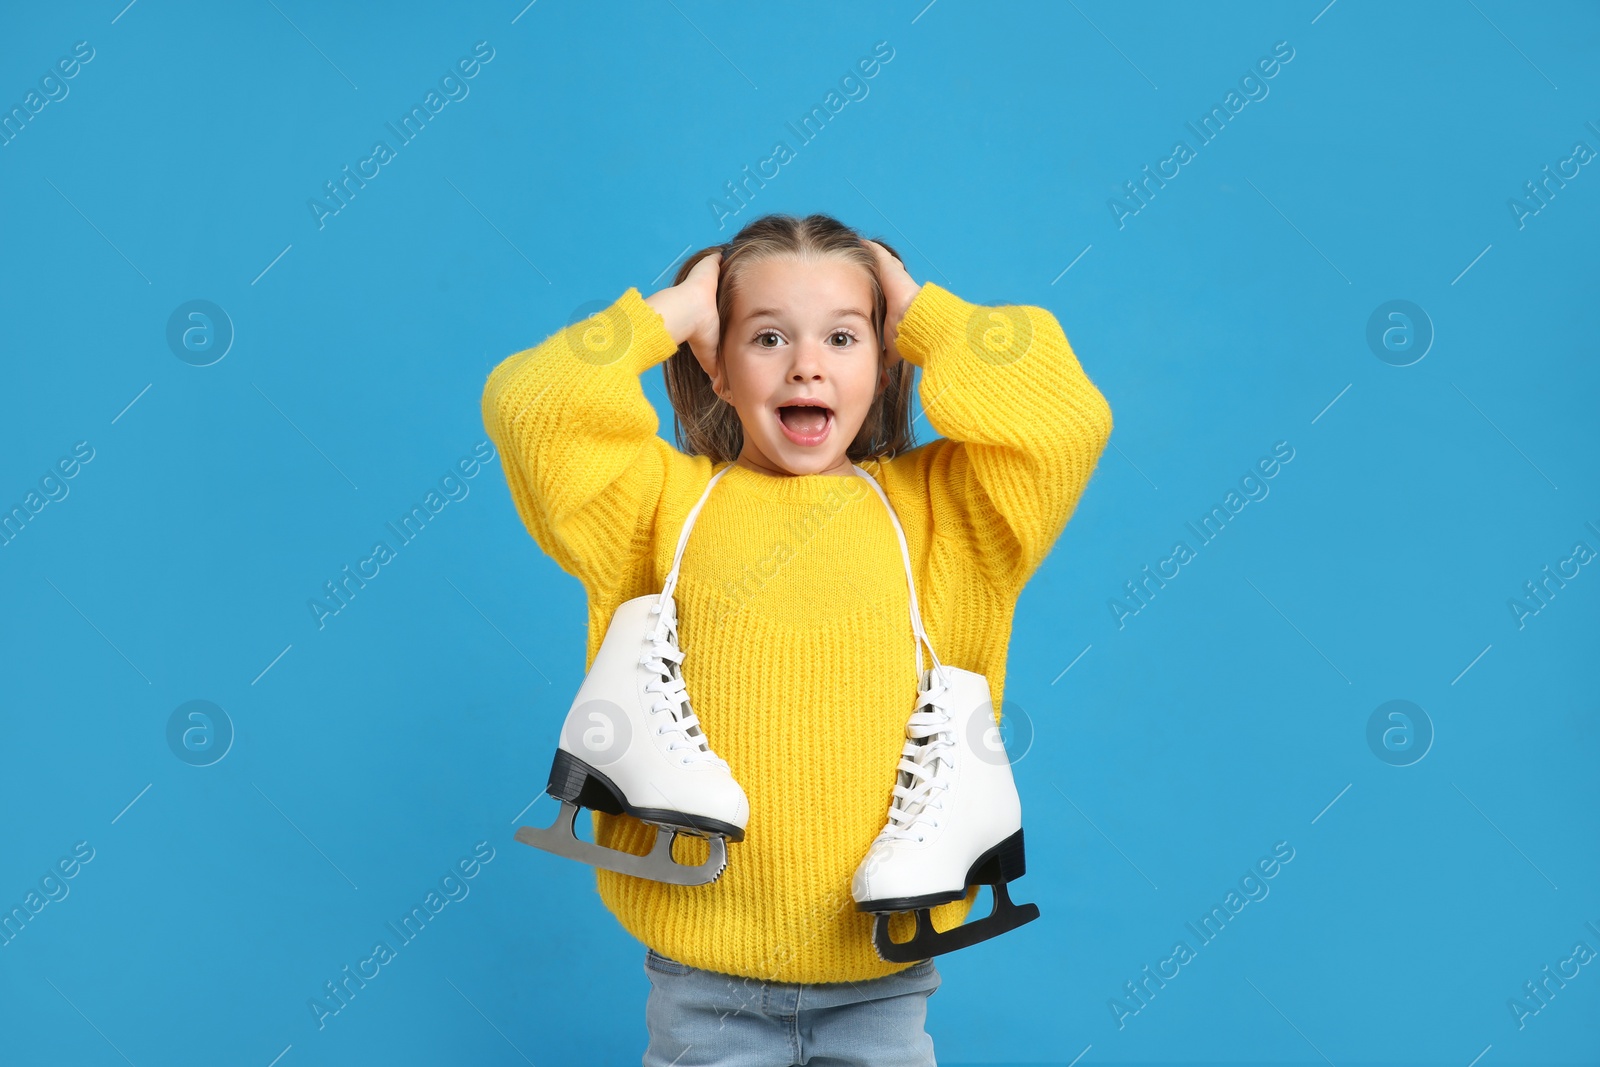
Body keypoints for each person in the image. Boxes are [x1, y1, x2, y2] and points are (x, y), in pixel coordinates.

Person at [480, 212, 1113, 1065]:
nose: (807, 363)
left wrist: (920, 309)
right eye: (768, 336)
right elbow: (530, 403)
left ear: (886, 359)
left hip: (884, 974)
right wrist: (672, 310)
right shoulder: (653, 509)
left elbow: (1065, 419)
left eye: (844, 337)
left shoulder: (948, 516)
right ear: (717, 362)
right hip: (703, 982)